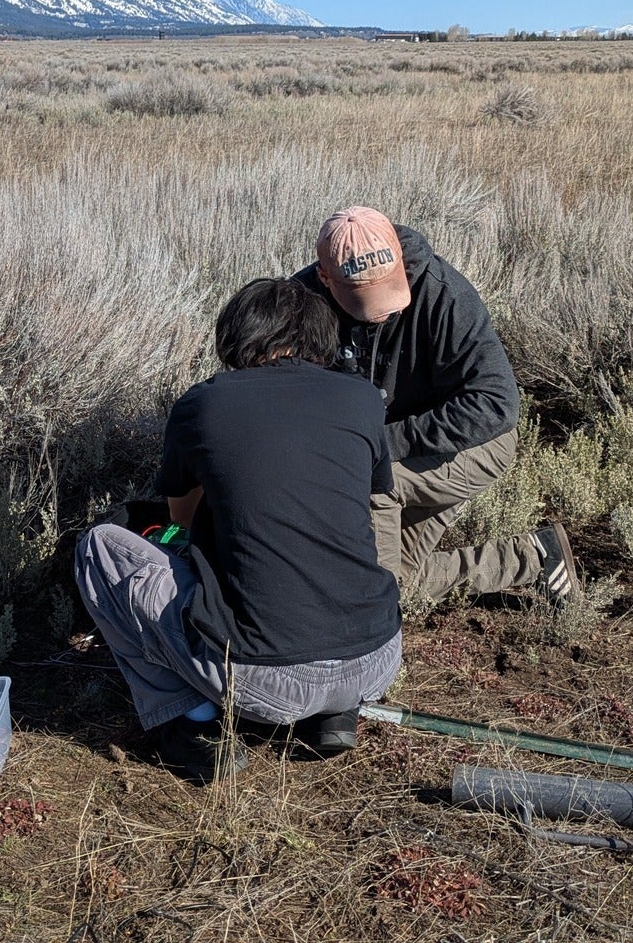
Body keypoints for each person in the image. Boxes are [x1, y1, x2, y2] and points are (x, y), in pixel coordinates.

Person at [74, 278, 402, 784]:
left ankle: (194, 724)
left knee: (99, 547)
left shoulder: (204, 404)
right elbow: (361, 498)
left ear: (236, 336)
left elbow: (180, 520)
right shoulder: (361, 398)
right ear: (320, 336)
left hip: (262, 681)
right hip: (377, 658)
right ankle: (334, 714)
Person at [294, 206, 578, 605]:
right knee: (398, 582)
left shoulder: (444, 294)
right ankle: (532, 557)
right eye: (366, 298)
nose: (388, 309)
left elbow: (497, 404)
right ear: (326, 278)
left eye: (391, 287)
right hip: (384, 443)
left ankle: (369, 614)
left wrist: (377, 444)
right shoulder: (302, 302)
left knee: (372, 482)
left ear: (397, 252)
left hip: (474, 443)